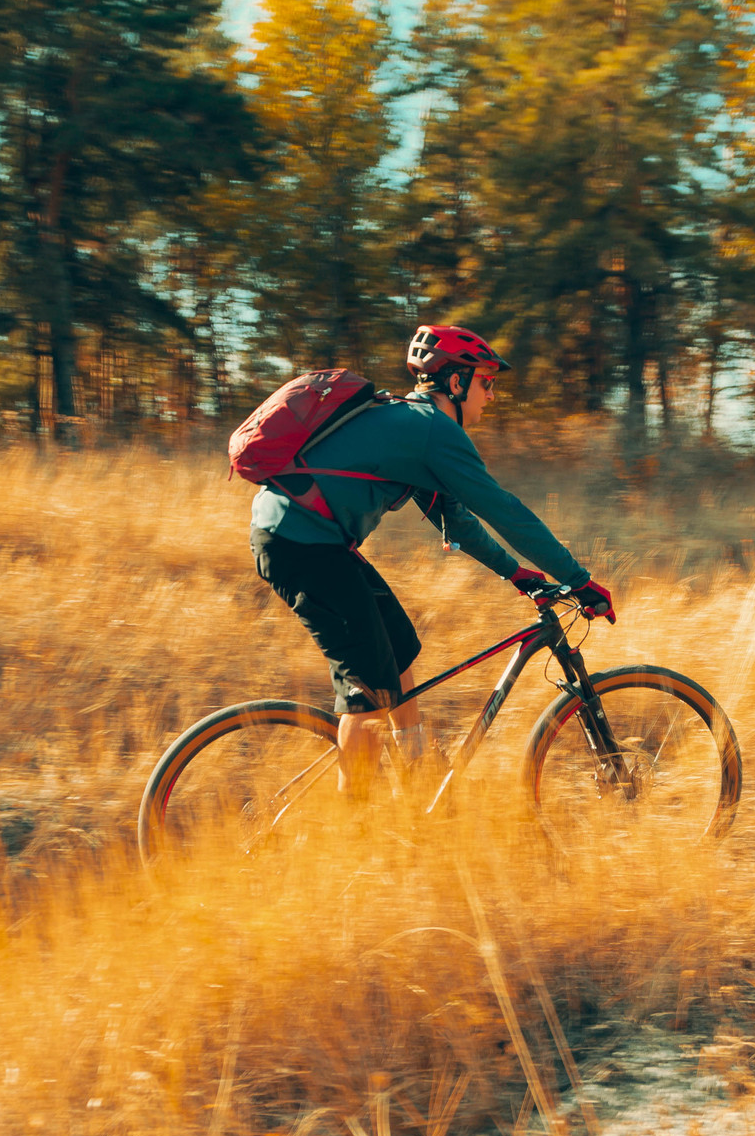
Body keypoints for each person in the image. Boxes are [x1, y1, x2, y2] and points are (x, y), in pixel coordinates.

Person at [249, 324, 614, 794]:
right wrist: (577, 578)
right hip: (301, 544)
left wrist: (519, 574)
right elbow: (503, 509)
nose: (492, 396)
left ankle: (416, 768)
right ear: (457, 383)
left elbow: (457, 520)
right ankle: (352, 837)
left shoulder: (409, 423)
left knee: (399, 644)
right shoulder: (430, 430)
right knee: (370, 693)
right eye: (487, 383)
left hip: (311, 541)